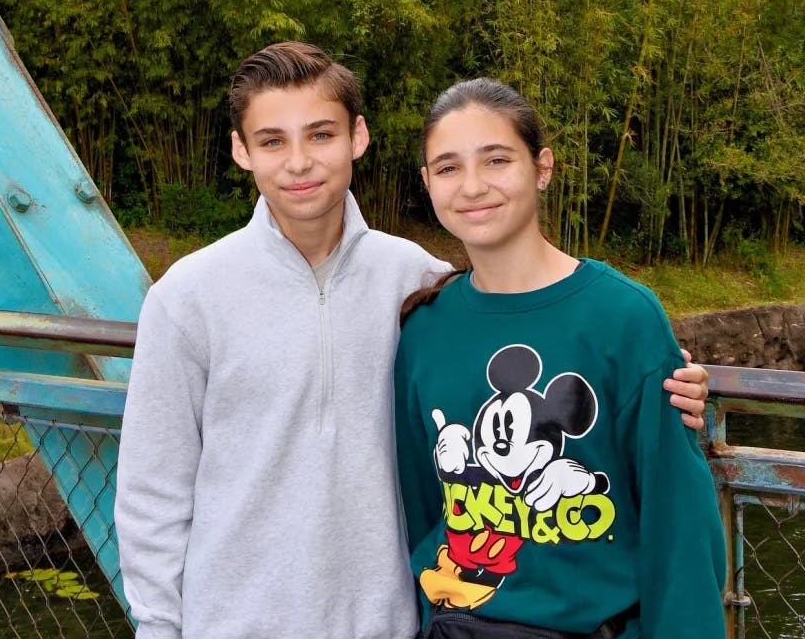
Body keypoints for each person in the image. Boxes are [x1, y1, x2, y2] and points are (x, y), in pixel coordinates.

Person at [115, 44, 712, 639]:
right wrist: (160, 627)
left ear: (357, 137)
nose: (299, 162)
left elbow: (533, 324)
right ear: (241, 151)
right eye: (272, 141)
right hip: (234, 623)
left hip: (393, 624)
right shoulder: (188, 297)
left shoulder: (415, 283)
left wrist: (668, 379)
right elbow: (152, 493)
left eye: (320, 134)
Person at [395, 78, 726, 639]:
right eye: (448, 168)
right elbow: (421, 507)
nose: (473, 186)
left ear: (542, 167)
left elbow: (679, 526)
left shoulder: (623, 316)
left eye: (496, 159)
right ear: (427, 182)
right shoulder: (424, 329)